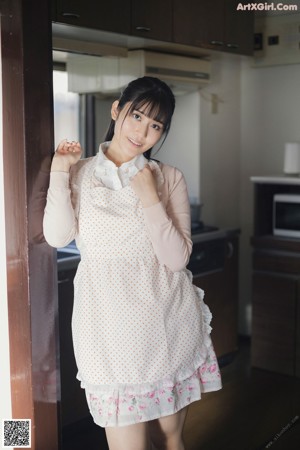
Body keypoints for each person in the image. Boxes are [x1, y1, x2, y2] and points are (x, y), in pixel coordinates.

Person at [43, 76, 222, 450]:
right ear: (116, 111)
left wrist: (150, 198)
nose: (142, 131)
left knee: (169, 439)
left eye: (156, 125)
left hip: (166, 324)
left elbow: (176, 260)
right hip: (107, 334)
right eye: (137, 116)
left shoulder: (168, 178)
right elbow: (58, 237)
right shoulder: (79, 172)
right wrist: (60, 171)